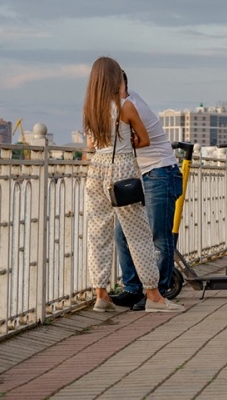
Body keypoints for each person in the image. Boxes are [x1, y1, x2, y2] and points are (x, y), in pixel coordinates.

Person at [81, 57, 183, 313]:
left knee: (98, 235)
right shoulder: (125, 106)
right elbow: (145, 140)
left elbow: (91, 147)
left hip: (95, 172)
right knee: (138, 236)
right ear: (116, 79)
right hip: (122, 171)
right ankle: (154, 296)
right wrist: (129, 140)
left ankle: (101, 294)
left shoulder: (89, 109)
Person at [109, 72, 185, 311]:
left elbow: (137, 141)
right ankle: (132, 288)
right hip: (143, 175)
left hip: (161, 172)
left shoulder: (128, 105)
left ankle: (158, 294)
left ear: (119, 84)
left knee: (159, 237)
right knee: (122, 234)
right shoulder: (122, 103)